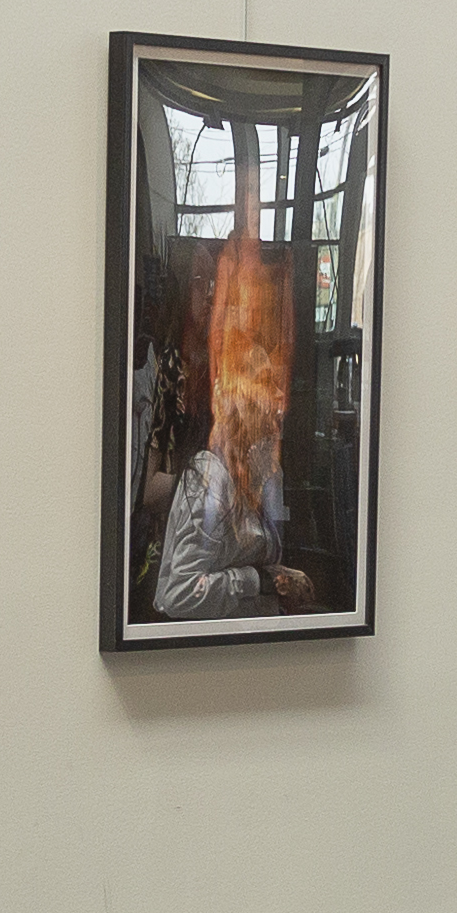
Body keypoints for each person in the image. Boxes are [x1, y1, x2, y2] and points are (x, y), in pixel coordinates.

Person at [148, 225, 319, 619]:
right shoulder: (212, 477)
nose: (279, 399)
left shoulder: (262, 470)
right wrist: (257, 580)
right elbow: (178, 594)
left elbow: (268, 554)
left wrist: (285, 579)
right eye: (266, 386)